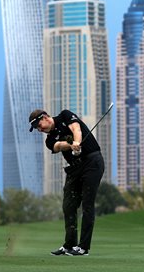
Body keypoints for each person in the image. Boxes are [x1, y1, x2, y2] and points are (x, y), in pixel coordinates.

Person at [29, 108, 105, 256]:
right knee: (68, 206)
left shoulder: (65, 115)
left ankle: (83, 247)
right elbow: (57, 146)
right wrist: (70, 145)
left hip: (92, 162)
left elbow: (76, 128)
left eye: (39, 125)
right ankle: (69, 245)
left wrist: (77, 142)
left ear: (45, 117)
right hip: (75, 168)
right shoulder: (49, 139)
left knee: (87, 204)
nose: (39, 129)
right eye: (37, 128)